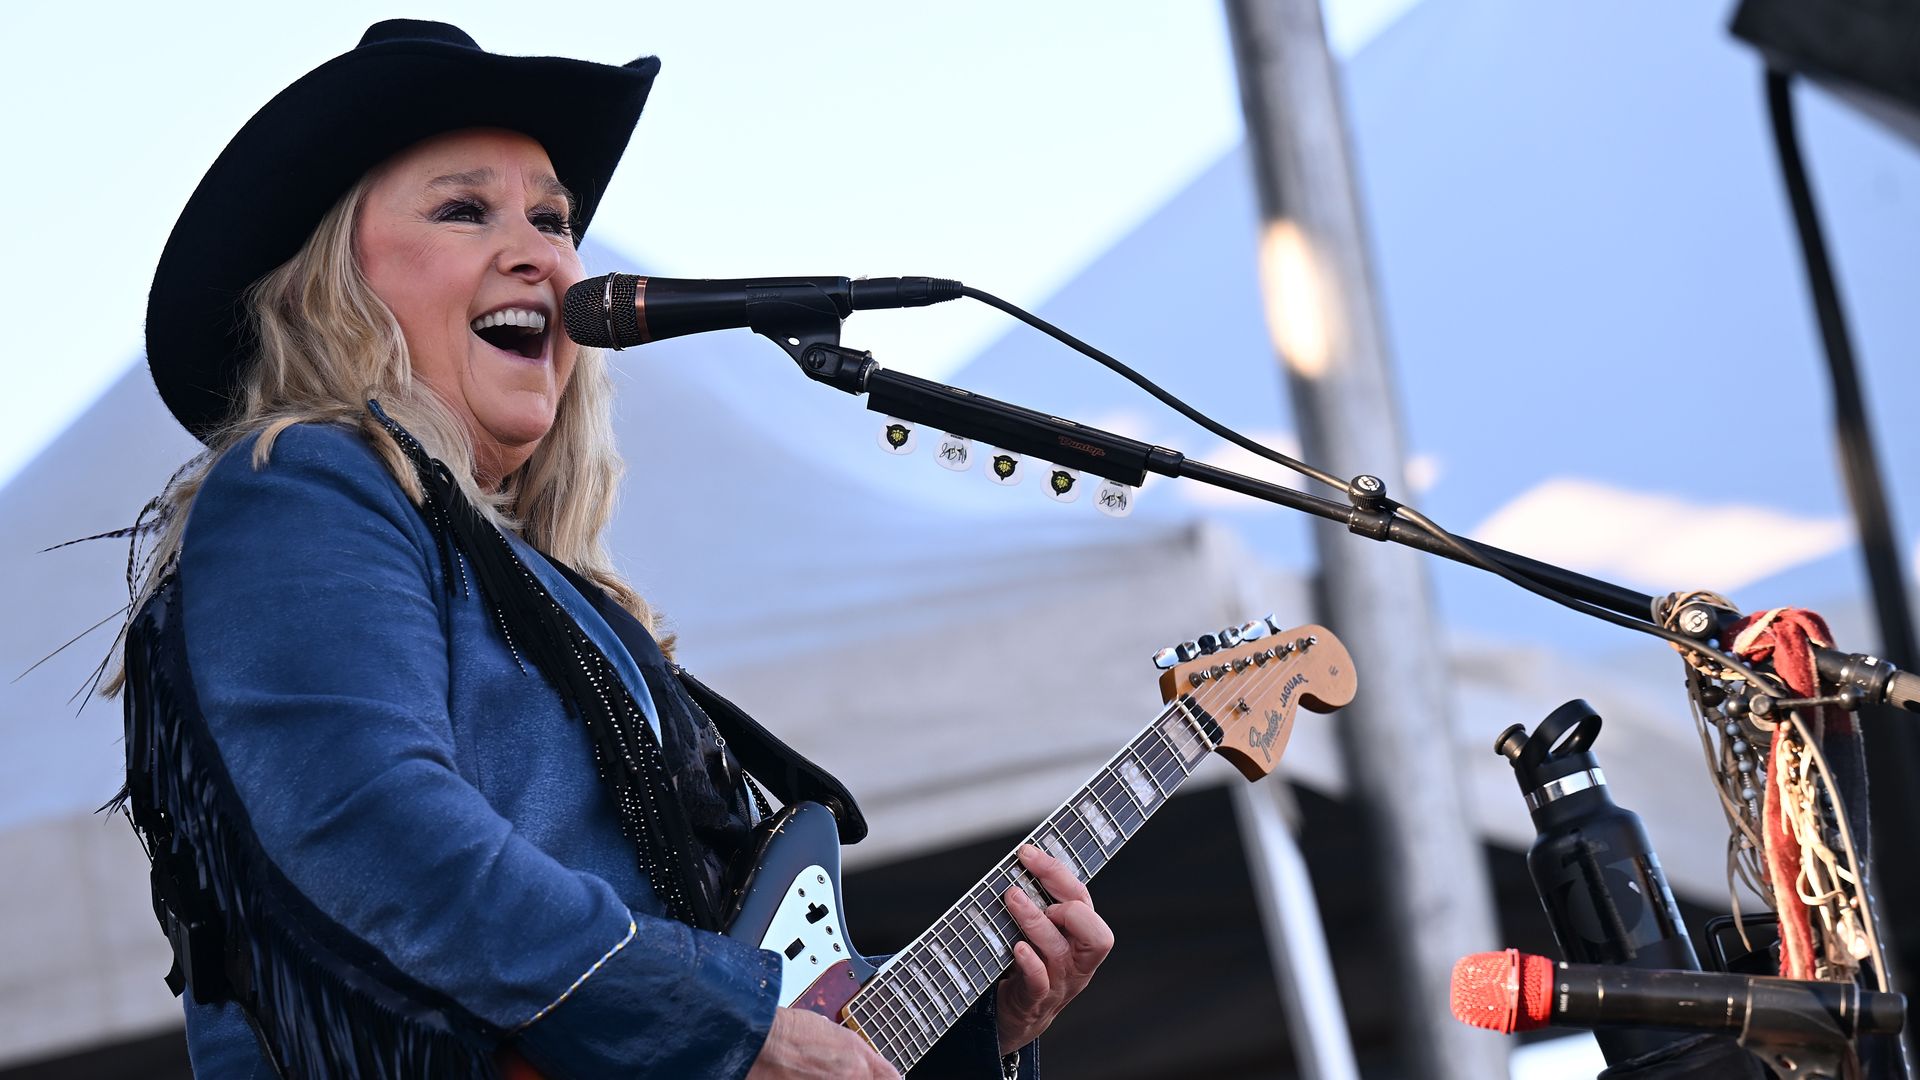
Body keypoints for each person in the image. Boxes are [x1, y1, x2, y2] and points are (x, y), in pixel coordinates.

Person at [117, 20, 1111, 1079]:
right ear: (332, 284)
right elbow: (372, 829)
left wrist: (982, 1030)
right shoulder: (302, 483)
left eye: (553, 220)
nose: (541, 254)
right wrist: (732, 1028)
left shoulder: (557, 595)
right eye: (464, 210)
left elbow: (761, 1005)